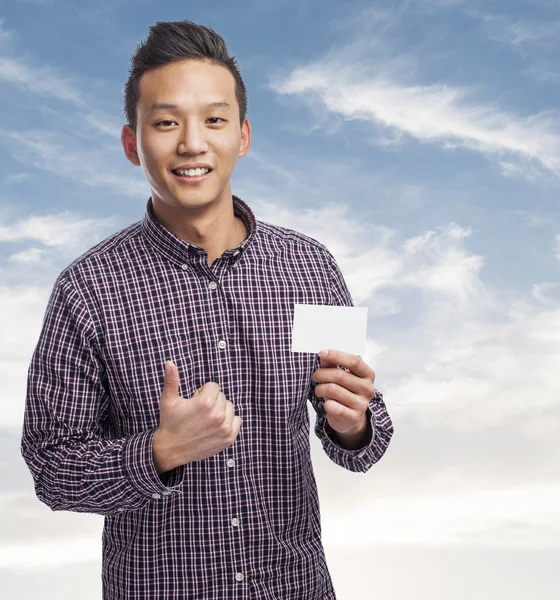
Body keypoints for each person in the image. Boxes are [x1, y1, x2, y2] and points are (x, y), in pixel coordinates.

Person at [21, 20, 394, 600]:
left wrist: (353, 424)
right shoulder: (87, 291)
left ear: (242, 136)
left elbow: (363, 440)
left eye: (213, 120)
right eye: (166, 122)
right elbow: (51, 470)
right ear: (131, 143)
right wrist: (159, 451)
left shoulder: (309, 267)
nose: (192, 143)